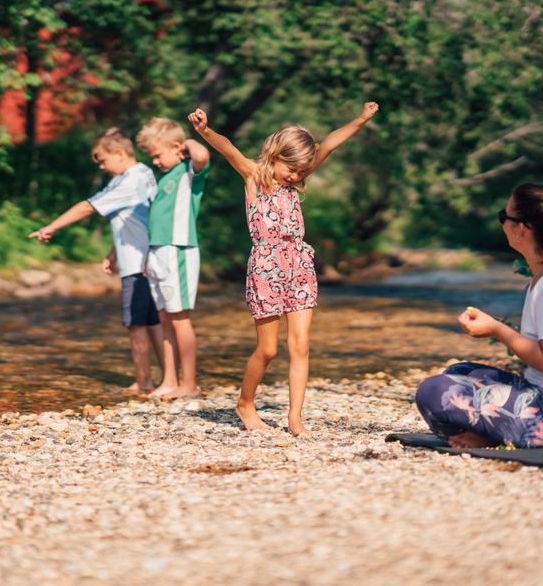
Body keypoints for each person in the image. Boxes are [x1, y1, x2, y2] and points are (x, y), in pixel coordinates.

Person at [187, 102, 380, 436]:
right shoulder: (253, 176)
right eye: (291, 168)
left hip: (299, 263)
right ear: (274, 154)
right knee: (268, 349)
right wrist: (204, 131)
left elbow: (331, 143)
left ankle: (295, 419)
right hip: (265, 266)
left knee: (301, 345)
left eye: (302, 172)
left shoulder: (296, 180)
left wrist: (361, 120)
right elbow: (228, 148)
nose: (296, 176)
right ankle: (245, 403)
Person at [415, 183, 543, 448]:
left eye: (503, 216)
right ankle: (492, 435)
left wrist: (497, 329)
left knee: (434, 391)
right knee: (458, 372)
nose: (502, 222)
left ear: (522, 228)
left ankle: (494, 437)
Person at [28, 128, 164, 394]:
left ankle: (144, 382)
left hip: (137, 266)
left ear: (121, 154)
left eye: (103, 161)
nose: (102, 167)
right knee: (154, 322)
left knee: (136, 324)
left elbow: (86, 207)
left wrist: (51, 227)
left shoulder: (128, 181)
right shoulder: (144, 174)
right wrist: (113, 252)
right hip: (147, 260)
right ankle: (169, 379)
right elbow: (135, 220)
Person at [135, 118, 211, 400]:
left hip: (179, 249)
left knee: (180, 318)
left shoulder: (188, 171)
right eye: (151, 156)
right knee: (166, 317)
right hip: (158, 252)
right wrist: (149, 257)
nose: (154, 161)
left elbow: (202, 154)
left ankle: (189, 383)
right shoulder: (164, 177)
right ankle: (169, 380)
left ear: (177, 148)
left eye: (158, 154)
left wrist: (186, 144)